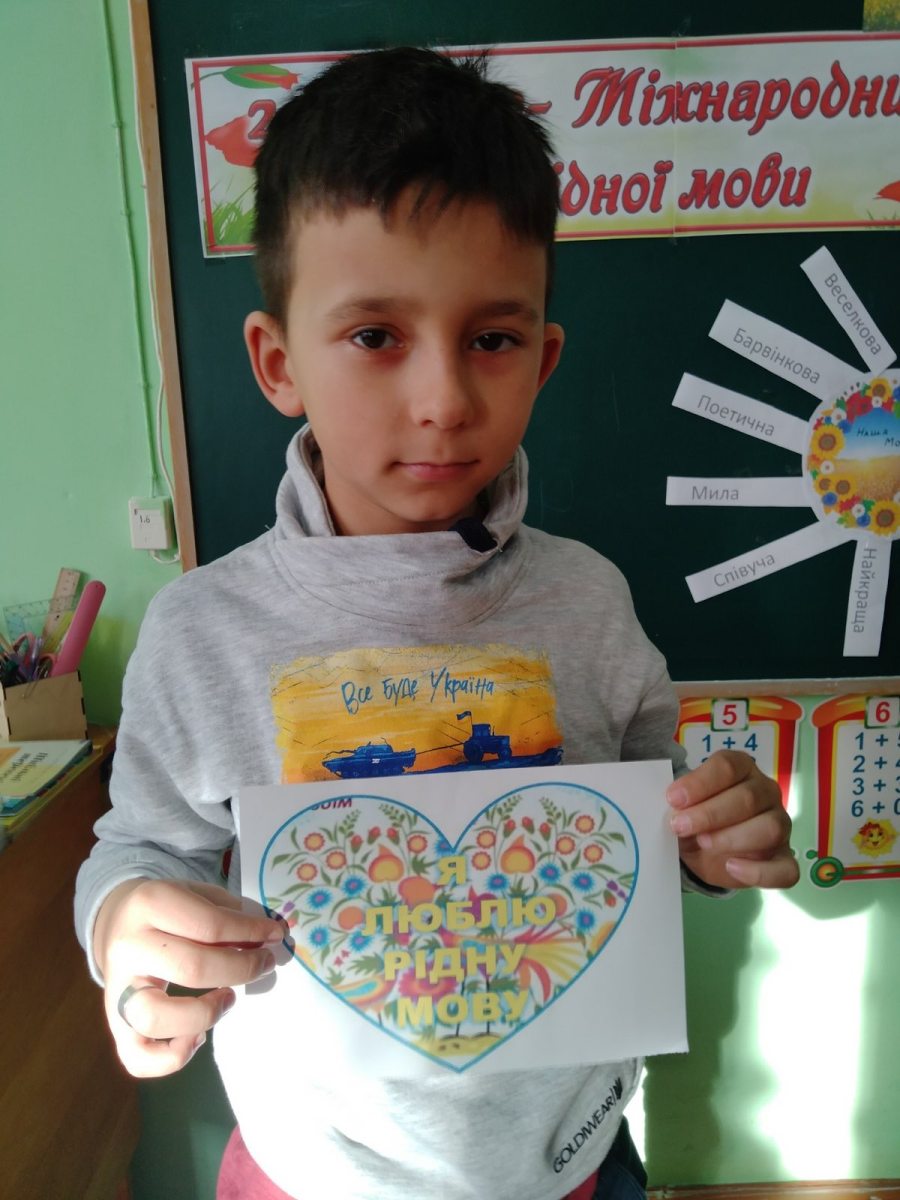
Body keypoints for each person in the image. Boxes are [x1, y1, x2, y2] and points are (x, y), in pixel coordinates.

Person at [75, 46, 797, 1200]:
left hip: (572, 1159)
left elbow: (648, 824)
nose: (445, 400)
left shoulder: (589, 601)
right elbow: (143, 849)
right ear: (278, 363)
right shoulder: (201, 630)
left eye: (492, 339)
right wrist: (125, 931)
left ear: (543, 359)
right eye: (375, 337)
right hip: (313, 1174)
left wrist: (712, 842)